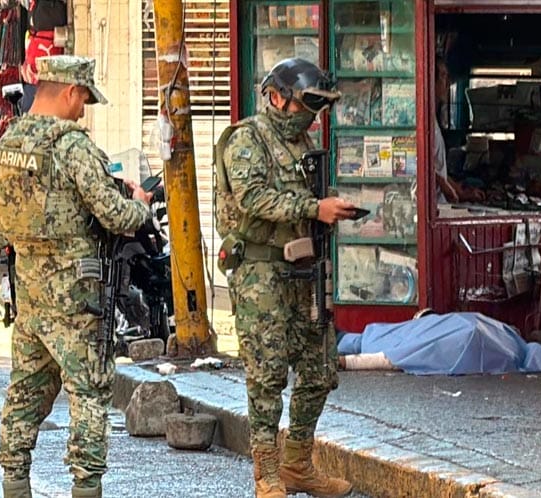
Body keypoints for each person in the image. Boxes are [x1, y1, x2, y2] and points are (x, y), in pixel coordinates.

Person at [0, 55, 152, 498]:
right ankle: (86, 487)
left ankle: (14, 484)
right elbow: (116, 216)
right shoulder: (72, 147)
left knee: (26, 389)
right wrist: (140, 205)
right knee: (89, 392)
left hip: (28, 287)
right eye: (83, 100)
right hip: (77, 292)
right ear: (69, 91)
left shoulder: (6, 143)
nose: (82, 112)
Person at [218, 57, 355, 498]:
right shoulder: (247, 138)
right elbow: (253, 198)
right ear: (276, 98)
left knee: (319, 368)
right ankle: (267, 473)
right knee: (267, 373)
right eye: (303, 106)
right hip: (261, 272)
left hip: (304, 268)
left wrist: (330, 207)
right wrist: (314, 208)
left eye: (316, 109)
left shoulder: (302, 144)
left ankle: (298, 463)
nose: (309, 117)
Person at [434, 56, 485, 204]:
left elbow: (440, 171)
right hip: (431, 205)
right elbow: (421, 165)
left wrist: (460, 191)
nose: (447, 83)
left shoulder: (433, 120)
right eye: (443, 76)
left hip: (440, 203)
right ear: (431, 80)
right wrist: (445, 186)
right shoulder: (424, 123)